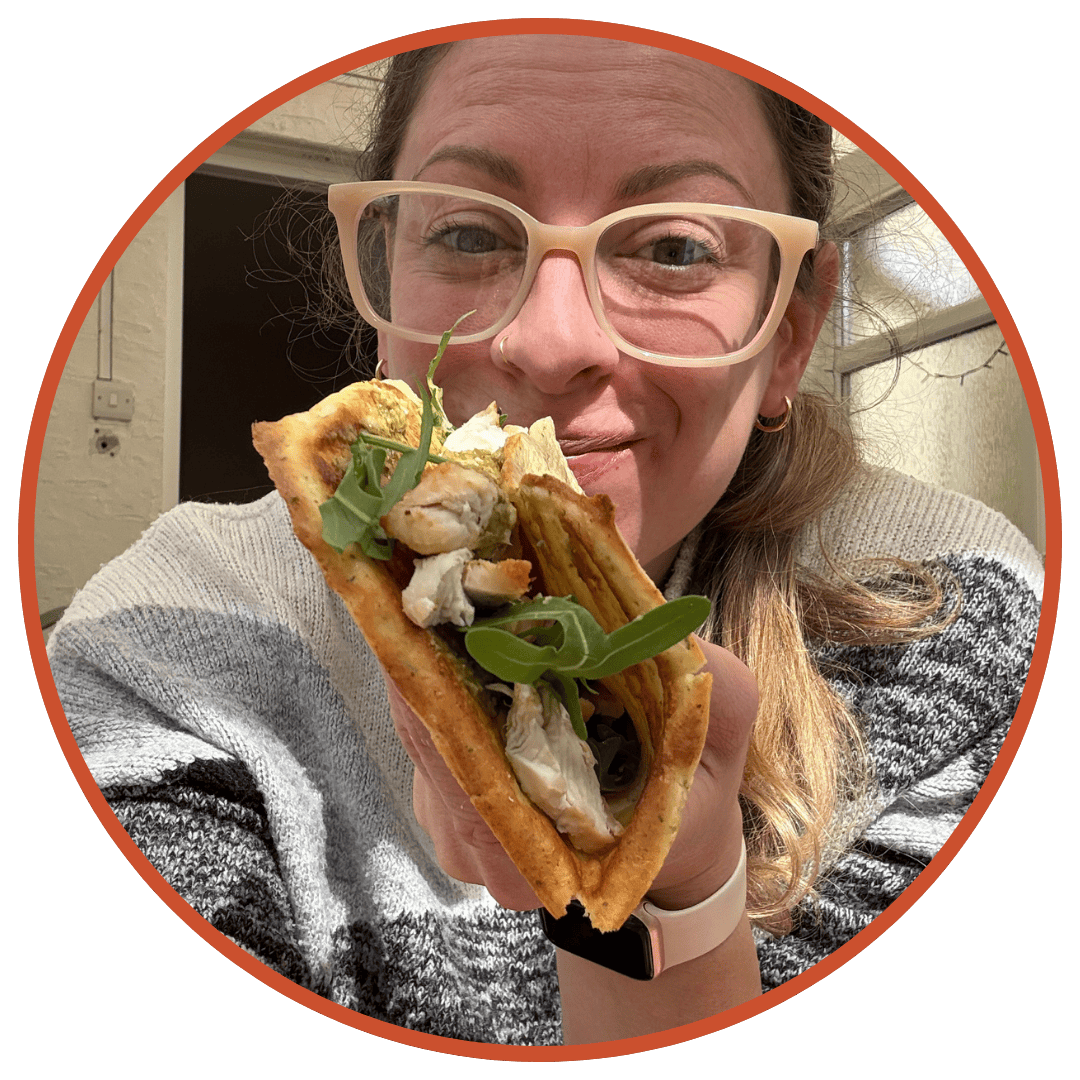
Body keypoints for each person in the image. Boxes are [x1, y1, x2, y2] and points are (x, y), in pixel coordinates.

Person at [45, 34, 1043, 1046]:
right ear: (390, 268)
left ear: (790, 332)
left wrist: (673, 902)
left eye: (674, 248)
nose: (552, 342)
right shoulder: (168, 637)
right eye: (473, 234)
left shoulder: (953, 617)